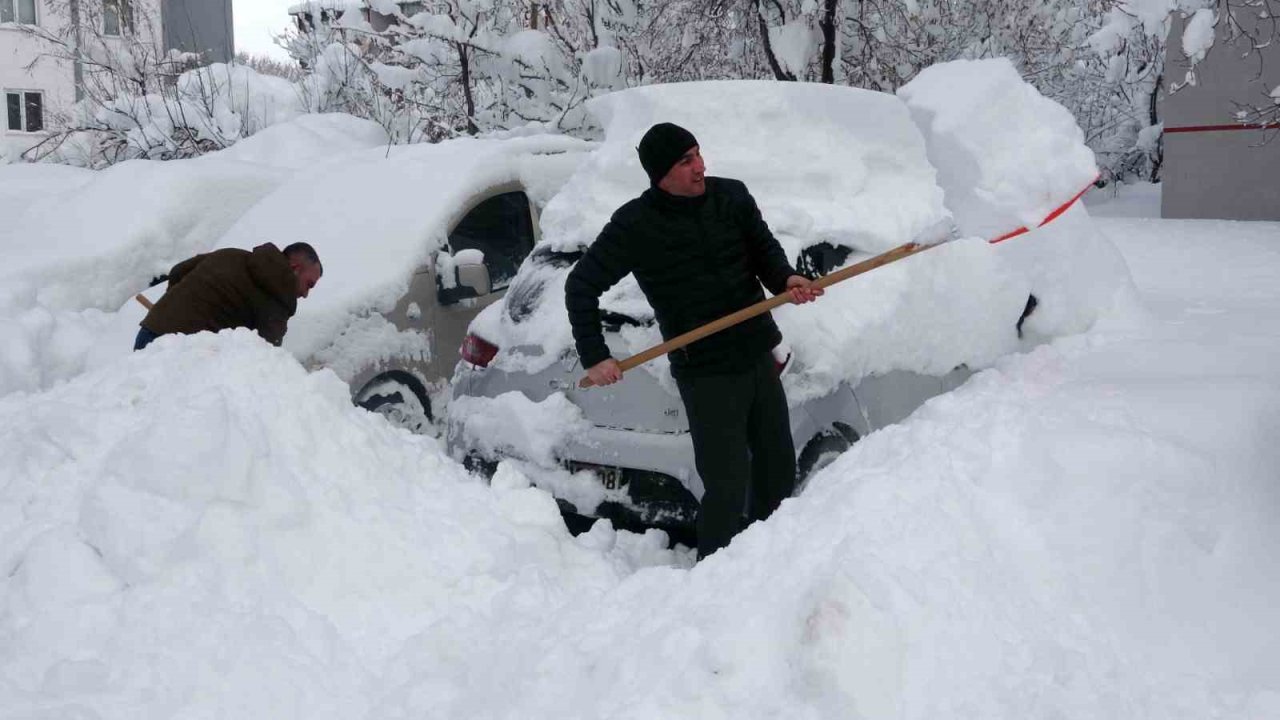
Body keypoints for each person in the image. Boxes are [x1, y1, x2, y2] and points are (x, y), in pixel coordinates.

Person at [564, 122, 822, 559]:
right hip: (705, 370)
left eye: (698, 154)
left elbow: (763, 251)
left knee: (778, 470)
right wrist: (595, 355)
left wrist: (786, 278)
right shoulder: (635, 224)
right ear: (660, 173)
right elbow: (580, 286)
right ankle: (715, 577)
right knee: (726, 483)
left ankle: (772, 564)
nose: (700, 166)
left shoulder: (731, 196)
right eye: (686, 161)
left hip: (757, 353)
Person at [134, 242, 323, 351]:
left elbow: (177, 272)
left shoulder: (232, 254)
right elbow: (266, 353)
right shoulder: (278, 295)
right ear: (295, 269)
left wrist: (173, 312)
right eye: (309, 284)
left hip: (151, 331)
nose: (306, 294)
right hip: (180, 355)